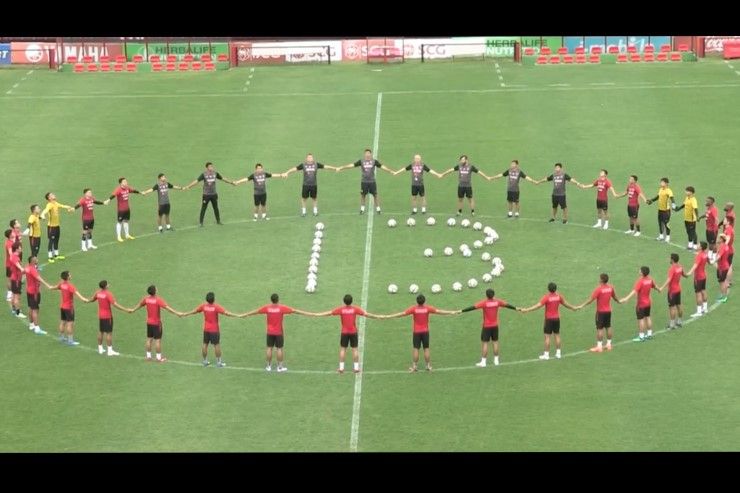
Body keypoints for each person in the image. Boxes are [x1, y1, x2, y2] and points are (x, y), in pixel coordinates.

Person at [382, 294, 458, 372]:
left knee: (416, 348)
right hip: (425, 332)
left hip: (416, 332)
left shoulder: (414, 309)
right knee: (426, 348)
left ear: (417, 301)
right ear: (424, 301)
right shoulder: (427, 308)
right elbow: (439, 311)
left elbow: (402, 313)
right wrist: (451, 312)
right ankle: (428, 366)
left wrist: (388, 316)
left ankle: (414, 367)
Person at [241, 293, 314, 372]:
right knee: (279, 349)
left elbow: (256, 311)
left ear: (271, 300)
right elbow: (295, 311)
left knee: (269, 348)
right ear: (278, 300)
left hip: (269, 332)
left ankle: (268, 366)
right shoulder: (281, 308)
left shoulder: (267, 308)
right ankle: (279, 367)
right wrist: (310, 314)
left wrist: (245, 315)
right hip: (279, 333)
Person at [314, 294, 382, 373]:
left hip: (344, 332)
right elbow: (366, 314)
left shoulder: (341, 309)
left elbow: (329, 313)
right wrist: (377, 316)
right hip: (353, 332)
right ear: (351, 301)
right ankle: (356, 368)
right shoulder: (355, 309)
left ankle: (341, 368)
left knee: (343, 349)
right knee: (355, 349)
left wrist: (316, 314)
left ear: (344, 301)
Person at [460, 288, 518, 367]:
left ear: (486, 295)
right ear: (493, 294)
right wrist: (517, 308)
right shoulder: (497, 302)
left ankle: (483, 362)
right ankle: (496, 361)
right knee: (495, 342)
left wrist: (461, 311)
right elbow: (507, 305)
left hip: (486, 326)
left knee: (485, 343)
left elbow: (472, 307)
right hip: (495, 326)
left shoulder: (484, 303)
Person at [520, 282, 578, 360]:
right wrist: (573, 308)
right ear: (555, 289)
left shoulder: (546, 297)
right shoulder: (559, 296)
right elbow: (565, 304)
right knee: (557, 335)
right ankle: (558, 354)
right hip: (557, 319)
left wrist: (527, 310)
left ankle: (546, 355)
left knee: (547, 337)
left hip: (549, 319)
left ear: (548, 289)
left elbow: (538, 305)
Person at [181, 292, 239, 368]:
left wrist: (185, 314)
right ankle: (219, 362)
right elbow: (227, 313)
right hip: (214, 330)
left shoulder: (203, 306)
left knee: (205, 344)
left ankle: (205, 361)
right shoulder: (216, 307)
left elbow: (194, 311)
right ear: (213, 299)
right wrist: (238, 315)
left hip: (206, 329)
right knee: (216, 345)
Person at [130, 285, 183, 362]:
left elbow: (140, 305)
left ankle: (148, 357)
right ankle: (159, 358)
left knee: (149, 339)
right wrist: (177, 313)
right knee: (157, 340)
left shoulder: (146, 299)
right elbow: (167, 308)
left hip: (149, 323)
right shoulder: (158, 300)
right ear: (155, 291)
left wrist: (133, 310)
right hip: (156, 323)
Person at [337, 148, 396, 214]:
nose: (367, 154)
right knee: (363, 195)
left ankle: (378, 209)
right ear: (364, 154)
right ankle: (362, 209)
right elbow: (352, 165)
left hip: (372, 182)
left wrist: (390, 171)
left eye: (368, 153)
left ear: (370, 154)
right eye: (366, 153)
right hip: (364, 182)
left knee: (375, 195)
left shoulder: (374, 161)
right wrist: (342, 167)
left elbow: (382, 166)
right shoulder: (361, 161)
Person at [575, 273, 620, 353]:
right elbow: (615, 297)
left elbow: (590, 300)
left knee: (600, 329)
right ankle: (609, 345)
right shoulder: (610, 288)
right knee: (608, 327)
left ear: (601, 280)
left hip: (601, 312)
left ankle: (599, 347)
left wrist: (581, 306)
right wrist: (619, 301)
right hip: (608, 311)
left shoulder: (599, 289)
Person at [184, 162, 236, 227]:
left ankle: (218, 221)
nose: (212, 168)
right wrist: (188, 186)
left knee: (216, 208)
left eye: (212, 166)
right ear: (207, 168)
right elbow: (196, 181)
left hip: (214, 194)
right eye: (210, 166)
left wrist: (231, 182)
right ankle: (201, 223)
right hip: (206, 195)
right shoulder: (204, 174)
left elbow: (223, 179)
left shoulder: (215, 173)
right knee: (203, 208)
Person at [619, 266, 661, 342]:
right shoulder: (650, 279)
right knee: (648, 317)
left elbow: (634, 291)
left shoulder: (640, 281)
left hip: (641, 304)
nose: (639, 271)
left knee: (641, 319)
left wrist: (626, 298)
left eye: (640, 270)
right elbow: (655, 286)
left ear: (642, 273)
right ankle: (649, 334)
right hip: (648, 303)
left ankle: (641, 336)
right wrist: (659, 290)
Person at [87, 280, 129, 356]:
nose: (109, 285)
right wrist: (125, 309)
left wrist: (87, 301)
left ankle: (100, 349)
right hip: (107, 316)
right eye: (107, 284)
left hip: (101, 315)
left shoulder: (98, 293)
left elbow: (92, 299)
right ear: (106, 286)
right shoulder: (108, 294)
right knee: (109, 333)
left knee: (101, 331)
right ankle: (110, 351)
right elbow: (115, 304)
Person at [48, 270, 90, 346]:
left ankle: (61, 338)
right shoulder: (70, 286)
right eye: (69, 275)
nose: (71, 275)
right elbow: (77, 294)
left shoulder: (61, 284)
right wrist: (84, 299)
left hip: (62, 307)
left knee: (62, 322)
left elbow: (55, 287)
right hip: (69, 308)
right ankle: (70, 341)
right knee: (70, 324)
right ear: (67, 277)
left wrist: (50, 287)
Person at [40, 192, 74, 263]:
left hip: (57, 226)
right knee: (51, 241)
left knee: (56, 240)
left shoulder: (55, 203)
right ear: (49, 198)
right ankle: (50, 257)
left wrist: (69, 207)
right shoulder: (49, 205)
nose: (54, 195)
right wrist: (42, 215)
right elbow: (45, 210)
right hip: (51, 227)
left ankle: (56, 255)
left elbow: (62, 206)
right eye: (52, 195)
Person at [104, 178, 140, 243]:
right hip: (121, 210)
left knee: (126, 221)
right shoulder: (118, 189)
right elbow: (113, 195)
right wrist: (108, 200)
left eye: (126, 181)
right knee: (119, 222)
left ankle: (127, 235)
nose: (126, 182)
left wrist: (140, 192)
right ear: (121, 183)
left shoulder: (127, 188)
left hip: (127, 209)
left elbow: (133, 191)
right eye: (124, 182)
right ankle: (119, 236)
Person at [24, 256, 51, 335]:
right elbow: (39, 278)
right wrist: (47, 285)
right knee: (35, 310)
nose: (37, 260)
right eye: (36, 259)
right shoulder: (32, 269)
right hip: (34, 292)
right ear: (32, 261)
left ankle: (31, 325)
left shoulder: (27, 267)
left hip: (29, 290)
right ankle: (37, 328)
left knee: (31, 308)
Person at [683, 241, 709, 317]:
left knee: (698, 294)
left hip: (698, 277)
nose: (697, 245)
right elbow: (709, 261)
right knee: (703, 291)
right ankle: (705, 308)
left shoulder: (699, 255)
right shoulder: (705, 254)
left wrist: (689, 273)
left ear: (701, 247)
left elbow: (695, 265)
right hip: (704, 276)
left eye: (698, 245)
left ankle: (699, 311)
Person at [659, 253, 684, 330]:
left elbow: (669, 280)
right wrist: (688, 274)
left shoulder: (672, 268)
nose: (669, 259)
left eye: (670, 258)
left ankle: (672, 324)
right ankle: (679, 321)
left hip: (672, 291)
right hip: (678, 289)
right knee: (679, 305)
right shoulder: (680, 267)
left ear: (672, 259)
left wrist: (662, 287)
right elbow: (684, 274)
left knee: (672, 307)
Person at [646, 177, 675, 243]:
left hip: (666, 210)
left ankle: (668, 237)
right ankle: (661, 236)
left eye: (662, 182)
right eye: (661, 182)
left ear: (666, 183)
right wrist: (651, 200)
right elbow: (658, 197)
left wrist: (673, 204)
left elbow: (672, 198)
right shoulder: (661, 189)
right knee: (660, 223)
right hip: (660, 209)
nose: (661, 183)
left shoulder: (668, 190)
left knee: (666, 224)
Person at [673, 186, 699, 251]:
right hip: (686, 218)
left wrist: (697, 216)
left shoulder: (693, 200)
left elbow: (695, 208)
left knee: (692, 232)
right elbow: (684, 204)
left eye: (687, 191)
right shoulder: (687, 198)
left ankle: (695, 245)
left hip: (691, 219)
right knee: (688, 231)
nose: (686, 192)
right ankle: (690, 245)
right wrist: (678, 209)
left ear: (691, 192)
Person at [7, 243, 26, 319]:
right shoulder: (15, 258)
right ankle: (18, 312)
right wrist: (26, 270)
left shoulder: (13, 256)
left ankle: (14, 309)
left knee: (14, 294)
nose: (21, 248)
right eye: (20, 247)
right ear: (17, 249)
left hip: (14, 278)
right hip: (16, 280)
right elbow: (20, 268)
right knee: (17, 296)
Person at [698, 196, 719, 262]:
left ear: (711, 202)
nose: (706, 202)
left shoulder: (713, 209)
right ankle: (709, 256)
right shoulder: (708, 208)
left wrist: (716, 226)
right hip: (708, 229)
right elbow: (706, 214)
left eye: (708, 201)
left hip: (713, 230)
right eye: (706, 201)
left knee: (713, 244)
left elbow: (716, 218)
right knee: (710, 243)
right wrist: (700, 217)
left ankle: (714, 257)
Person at [713, 234, 731, 303]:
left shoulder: (722, 247)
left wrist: (713, 261)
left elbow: (719, 257)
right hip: (722, 266)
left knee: (722, 282)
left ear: (721, 239)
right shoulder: (725, 246)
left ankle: (724, 297)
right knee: (721, 281)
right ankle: (722, 294)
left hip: (722, 267)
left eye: (719, 237)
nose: (717, 238)